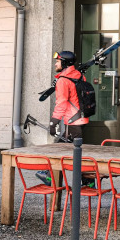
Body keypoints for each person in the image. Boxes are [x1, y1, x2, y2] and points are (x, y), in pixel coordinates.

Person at [36, 51, 90, 185]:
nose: (55, 63)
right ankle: (88, 180)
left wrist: (53, 122)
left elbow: (62, 103)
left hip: (72, 121)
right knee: (73, 151)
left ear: (64, 63)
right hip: (80, 118)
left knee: (60, 149)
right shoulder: (78, 76)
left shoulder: (63, 81)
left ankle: (50, 177)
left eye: (58, 61)